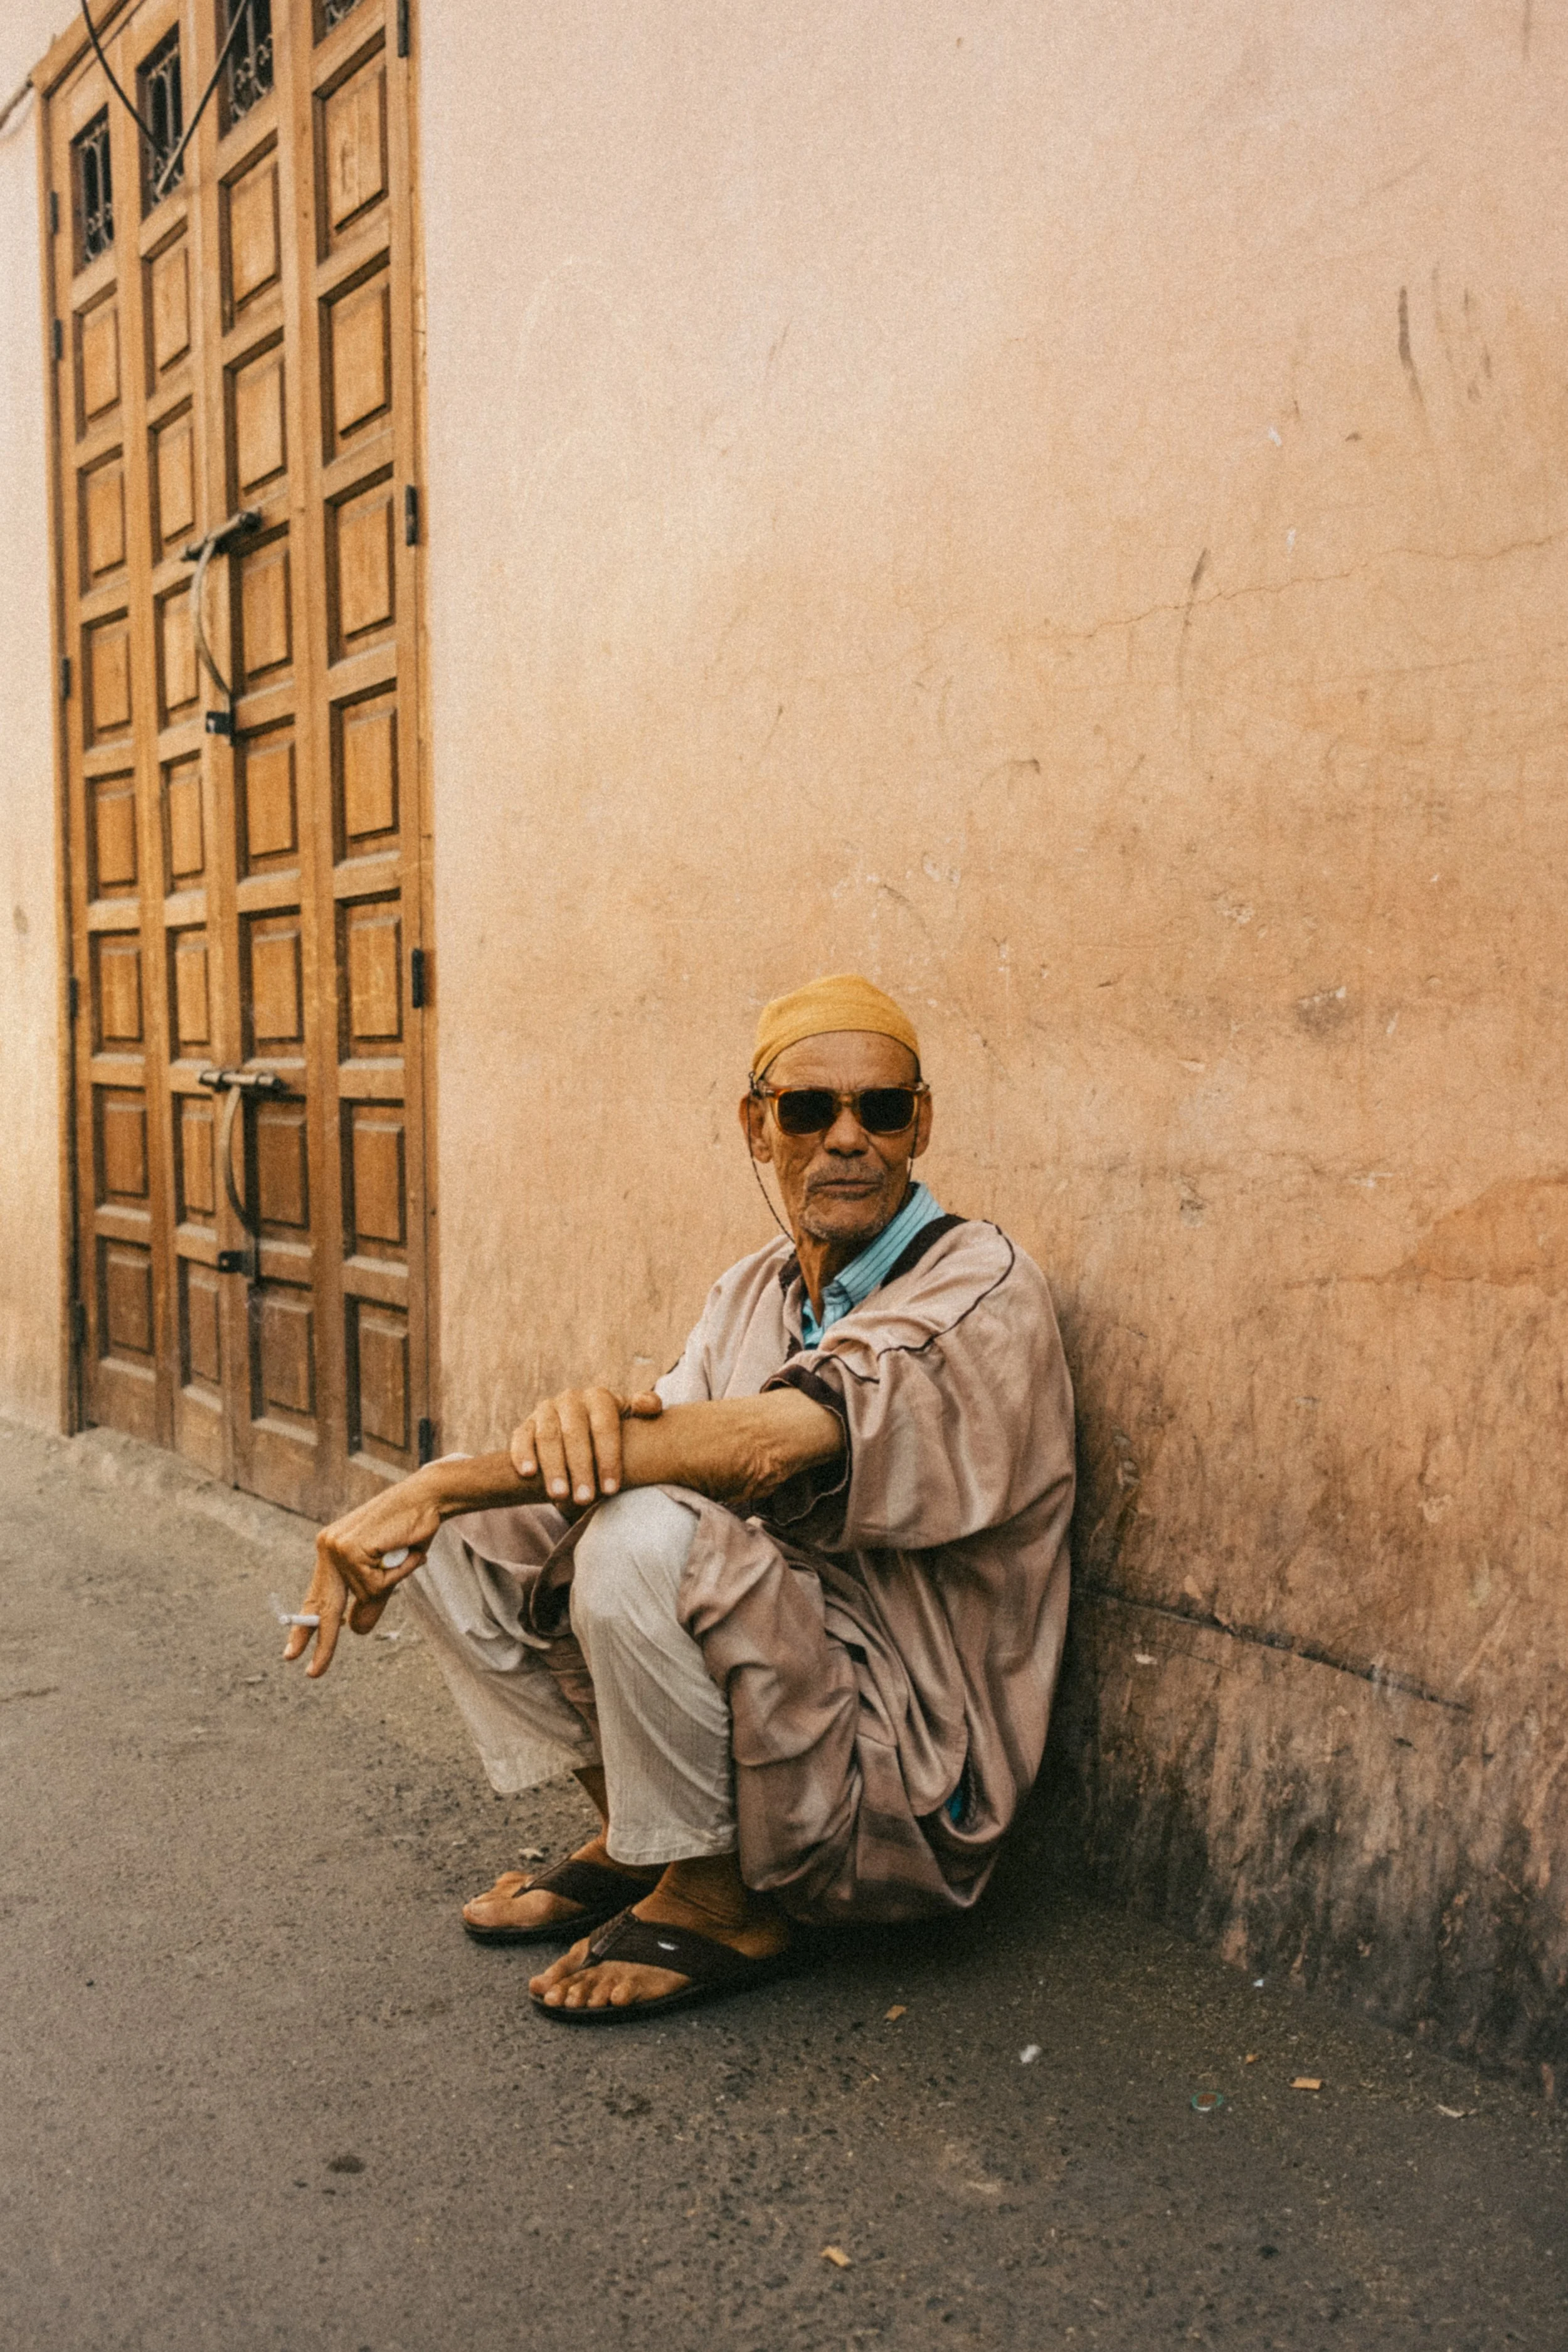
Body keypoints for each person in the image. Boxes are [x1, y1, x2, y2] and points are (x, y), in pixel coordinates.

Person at [284, 973, 1075, 2023]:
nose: (849, 1138)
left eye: (882, 1109)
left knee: (633, 1530)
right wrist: (468, 1496)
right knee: (477, 1535)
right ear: (757, 1126)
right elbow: (658, 1436)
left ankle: (721, 1901)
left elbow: (763, 1446)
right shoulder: (753, 1287)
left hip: (906, 1764)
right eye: (810, 1109)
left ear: (919, 1125)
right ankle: (650, 1839)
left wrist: (440, 1481)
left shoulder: (979, 1284)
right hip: (785, 1669)